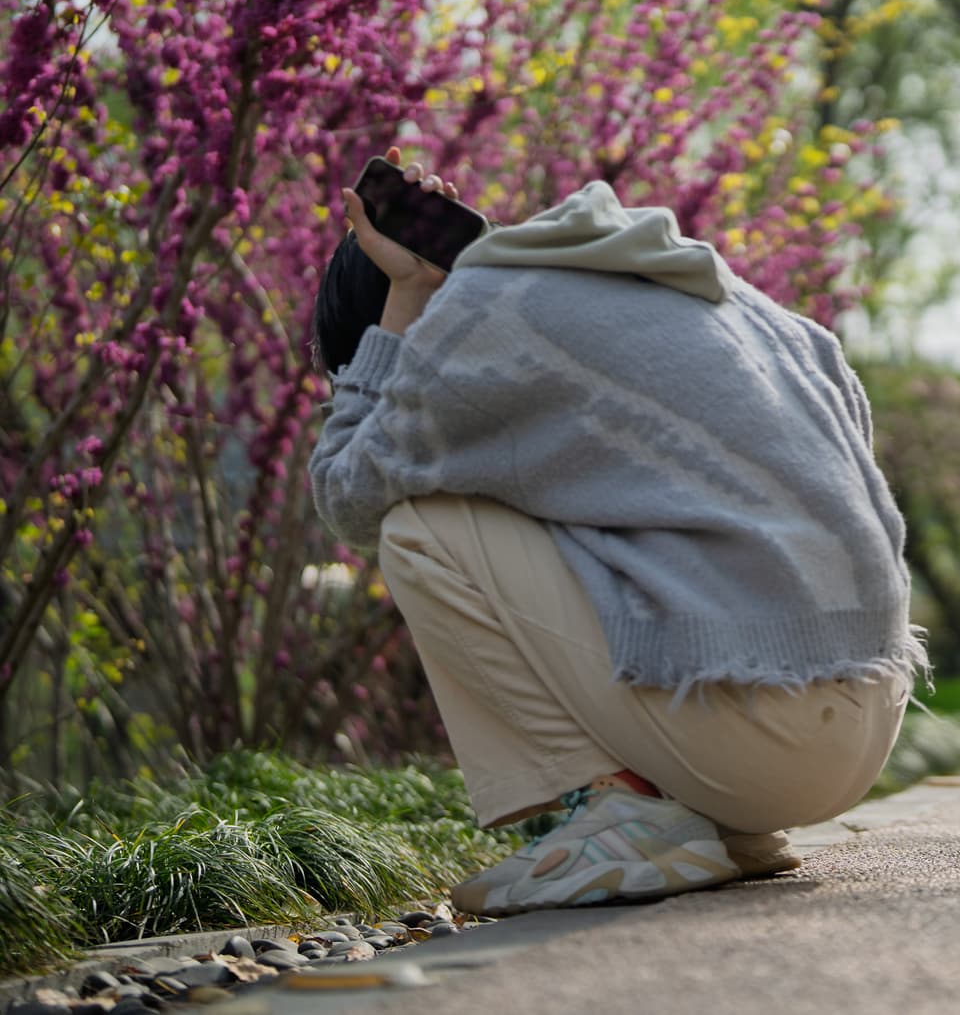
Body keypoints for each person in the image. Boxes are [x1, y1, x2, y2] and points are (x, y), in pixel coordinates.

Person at [308, 151, 923, 917]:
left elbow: (347, 497)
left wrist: (401, 307)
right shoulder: (717, 294)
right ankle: (715, 824)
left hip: (755, 740)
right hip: (864, 725)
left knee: (417, 526)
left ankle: (620, 814)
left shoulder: (478, 319)